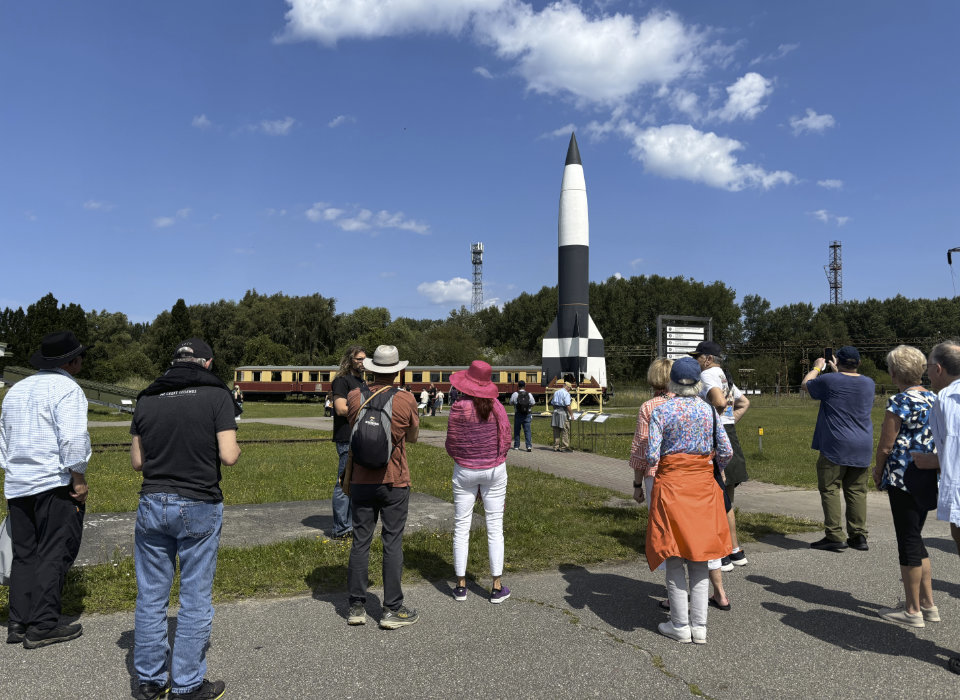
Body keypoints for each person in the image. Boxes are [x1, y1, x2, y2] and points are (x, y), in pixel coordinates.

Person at [130, 338, 241, 700]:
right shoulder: (217, 395)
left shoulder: (147, 398)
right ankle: (187, 684)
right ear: (206, 363)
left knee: (151, 596)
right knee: (194, 597)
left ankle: (150, 681)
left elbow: (137, 462)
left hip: (152, 501)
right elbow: (229, 456)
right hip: (198, 502)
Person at [1, 330, 90, 649]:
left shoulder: (16, 390)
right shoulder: (68, 389)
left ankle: (18, 622)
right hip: (53, 481)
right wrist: (78, 478)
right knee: (53, 552)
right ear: (72, 362)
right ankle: (43, 625)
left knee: (24, 553)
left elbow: (4, 439)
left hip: (18, 483)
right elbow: (73, 438)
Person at [645, 357, 732, 645]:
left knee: (673, 555)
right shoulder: (709, 411)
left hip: (671, 487)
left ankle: (680, 625)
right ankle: (700, 627)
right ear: (697, 383)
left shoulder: (661, 410)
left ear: (671, 382)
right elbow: (726, 451)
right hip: (703, 487)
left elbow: (652, 455)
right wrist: (710, 466)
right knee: (700, 557)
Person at [346, 345, 420, 629]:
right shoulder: (406, 399)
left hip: (360, 481)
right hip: (394, 481)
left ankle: (356, 607)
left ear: (371, 369)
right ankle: (392, 609)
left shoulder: (355, 396)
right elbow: (412, 437)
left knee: (360, 541)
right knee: (392, 542)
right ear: (397, 371)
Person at [871, 345, 939, 628]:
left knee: (908, 541)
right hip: (928, 474)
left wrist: (878, 471)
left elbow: (886, 445)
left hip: (903, 477)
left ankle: (912, 610)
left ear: (895, 372)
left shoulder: (899, 401)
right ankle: (928, 604)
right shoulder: (935, 398)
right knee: (916, 537)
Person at [444, 361, 512, 603]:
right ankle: (496, 587)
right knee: (495, 527)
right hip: (494, 470)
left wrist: (464, 458)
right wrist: (494, 459)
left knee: (461, 526)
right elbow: (506, 439)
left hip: (465, 471)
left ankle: (461, 586)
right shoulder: (498, 408)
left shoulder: (458, 408)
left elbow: (451, 443)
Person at [801, 345, 875, 552]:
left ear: (837, 362)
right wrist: (838, 370)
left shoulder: (829, 380)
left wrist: (817, 367)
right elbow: (847, 382)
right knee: (857, 491)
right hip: (863, 444)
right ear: (859, 363)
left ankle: (834, 535)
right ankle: (858, 535)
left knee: (830, 488)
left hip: (836, 444)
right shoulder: (869, 383)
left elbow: (806, 384)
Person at [916, 339, 960, 673]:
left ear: (939, 368)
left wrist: (927, 461)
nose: (928, 373)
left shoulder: (946, 399)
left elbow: (950, 452)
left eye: (929, 366)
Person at [690, 341, 750, 568]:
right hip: (729, 434)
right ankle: (735, 550)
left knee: (714, 498)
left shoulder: (707, 375)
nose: (695, 361)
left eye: (697, 357)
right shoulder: (724, 376)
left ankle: (721, 552)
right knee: (727, 499)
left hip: (715, 438)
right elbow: (744, 402)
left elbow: (719, 401)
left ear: (708, 359)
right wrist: (727, 422)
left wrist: (712, 424)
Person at [330, 346, 367, 539]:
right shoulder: (341, 381)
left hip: (362, 436)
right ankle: (340, 528)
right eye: (359, 359)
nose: (362, 362)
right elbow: (341, 409)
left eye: (364, 359)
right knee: (343, 482)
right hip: (347, 437)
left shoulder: (363, 382)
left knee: (357, 483)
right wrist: (368, 409)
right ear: (349, 360)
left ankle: (352, 525)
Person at [509, 380, 535, 452]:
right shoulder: (529, 394)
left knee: (517, 430)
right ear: (525, 386)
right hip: (527, 414)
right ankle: (528, 446)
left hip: (518, 414)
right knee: (527, 430)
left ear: (518, 386)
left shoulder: (515, 394)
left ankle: (516, 446)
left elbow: (510, 402)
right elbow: (533, 403)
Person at [551, 381, 573, 452]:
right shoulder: (566, 394)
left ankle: (556, 446)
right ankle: (564, 447)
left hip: (555, 412)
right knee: (565, 430)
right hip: (563, 412)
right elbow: (568, 405)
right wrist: (571, 414)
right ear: (567, 387)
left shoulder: (556, 392)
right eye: (570, 388)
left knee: (556, 429)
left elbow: (552, 403)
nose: (569, 390)